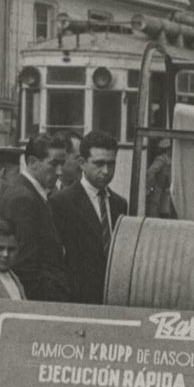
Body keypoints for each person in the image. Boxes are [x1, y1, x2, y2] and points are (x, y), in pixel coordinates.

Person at [50, 130, 126, 304]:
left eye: (111, 164)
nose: (106, 171)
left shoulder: (119, 204)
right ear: (82, 163)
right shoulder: (61, 203)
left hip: (112, 299)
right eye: (99, 164)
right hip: (78, 301)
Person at [0, 132, 73, 301]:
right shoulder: (23, 199)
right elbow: (24, 265)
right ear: (32, 162)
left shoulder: (31, 194)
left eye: (62, 163)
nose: (60, 171)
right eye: (54, 164)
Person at [145, 138, 176, 219]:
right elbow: (151, 172)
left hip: (164, 190)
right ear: (167, 149)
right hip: (158, 189)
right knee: (153, 211)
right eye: (169, 149)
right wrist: (151, 186)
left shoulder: (168, 160)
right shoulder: (161, 159)